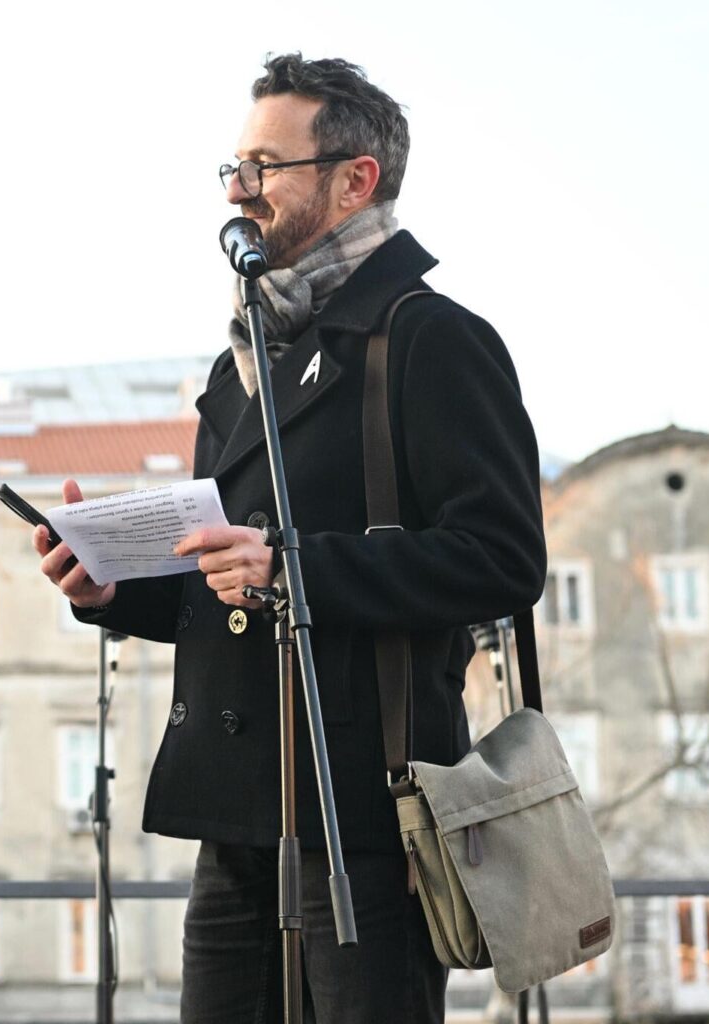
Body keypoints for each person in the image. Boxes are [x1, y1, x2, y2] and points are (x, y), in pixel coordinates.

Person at [32, 55, 545, 1022]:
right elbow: (222, 579)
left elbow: (505, 559)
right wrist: (110, 586)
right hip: (237, 814)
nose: (238, 188)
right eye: (234, 166)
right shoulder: (240, 366)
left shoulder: (429, 338)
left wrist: (295, 568)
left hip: (367, 815)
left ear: (356, 180)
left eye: (265, 166)